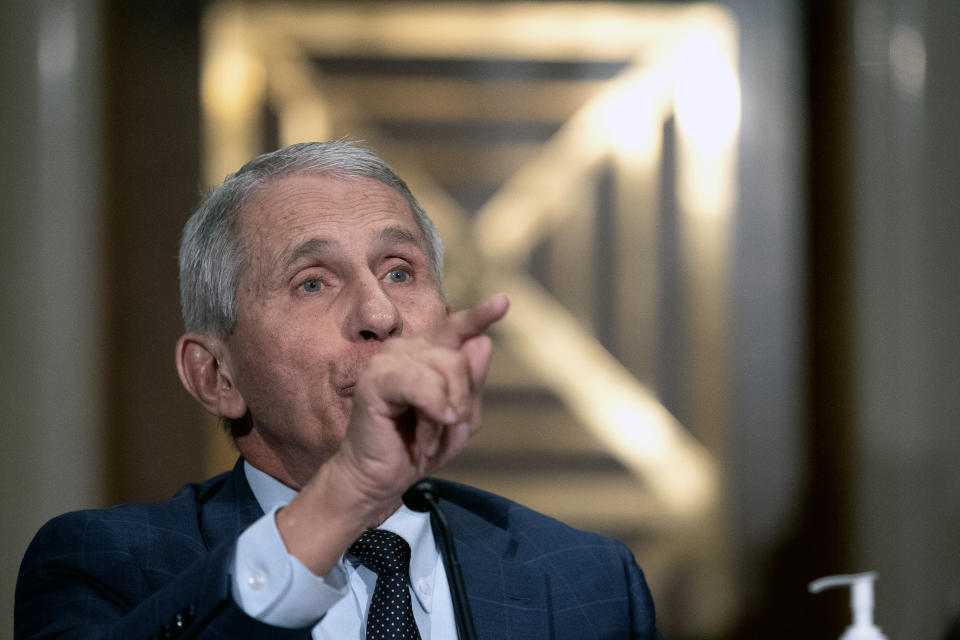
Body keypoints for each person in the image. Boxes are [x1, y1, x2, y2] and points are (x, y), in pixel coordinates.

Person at [15, 140, 664, 639]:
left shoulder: (588, 581)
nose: (379, 314)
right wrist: (350, 491)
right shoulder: (106, 568)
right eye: (313, 282)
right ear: (216, 375)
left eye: (400, 271)